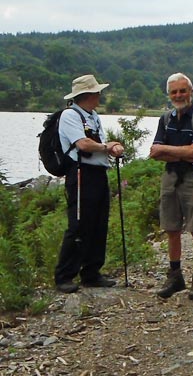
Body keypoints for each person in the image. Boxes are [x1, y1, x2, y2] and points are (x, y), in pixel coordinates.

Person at [54, 75, 125, 294]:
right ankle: (64, 275)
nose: (100, 96)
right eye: (97, 93)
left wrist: (110, 149)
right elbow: (83, 144)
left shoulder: (93, 116)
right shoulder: (70, 115)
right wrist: (107, 147)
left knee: (98, 222)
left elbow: (96, 144)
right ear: (88, 95)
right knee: (79, 224)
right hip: (81, 173)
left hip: (97, 172)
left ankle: (91, 273)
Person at [150, 73, 193, 300]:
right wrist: (185, 154)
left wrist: (171, 151)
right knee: (171, 228)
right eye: (174, 92)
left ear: (191, 92)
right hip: (170, 178)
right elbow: (154, 153)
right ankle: (175, 276)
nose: (178, 95)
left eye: (182, 91)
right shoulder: (164, 119)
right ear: (169, 94)